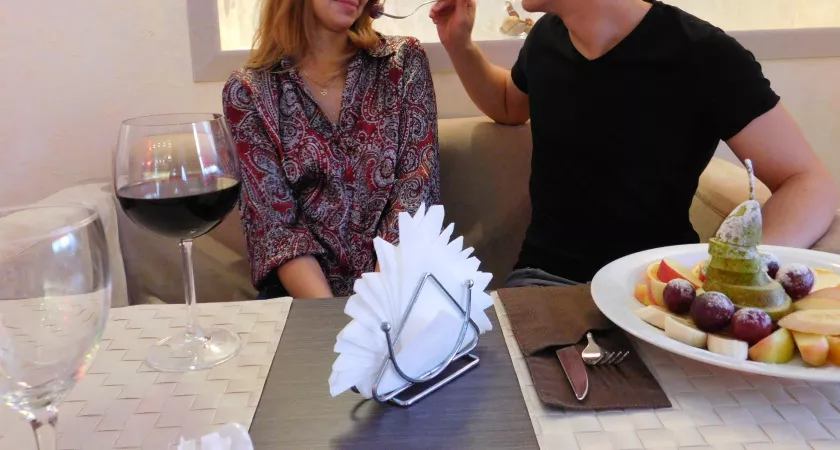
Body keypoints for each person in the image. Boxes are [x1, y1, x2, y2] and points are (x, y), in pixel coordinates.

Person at [430, 0, 838, 287]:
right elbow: (508, 105)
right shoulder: (546, 39)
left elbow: (808, 181)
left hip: (653, 286)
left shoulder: (704, 55)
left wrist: (736, 275)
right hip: (544, 280)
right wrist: (458, 44)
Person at [223, 0, 439, 299]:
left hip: (398, 291)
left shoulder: (402, 61)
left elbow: (415, 191)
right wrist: (331, 318)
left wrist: (376, 308)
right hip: (302, 299)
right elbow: (276, 227)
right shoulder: (248, 91)